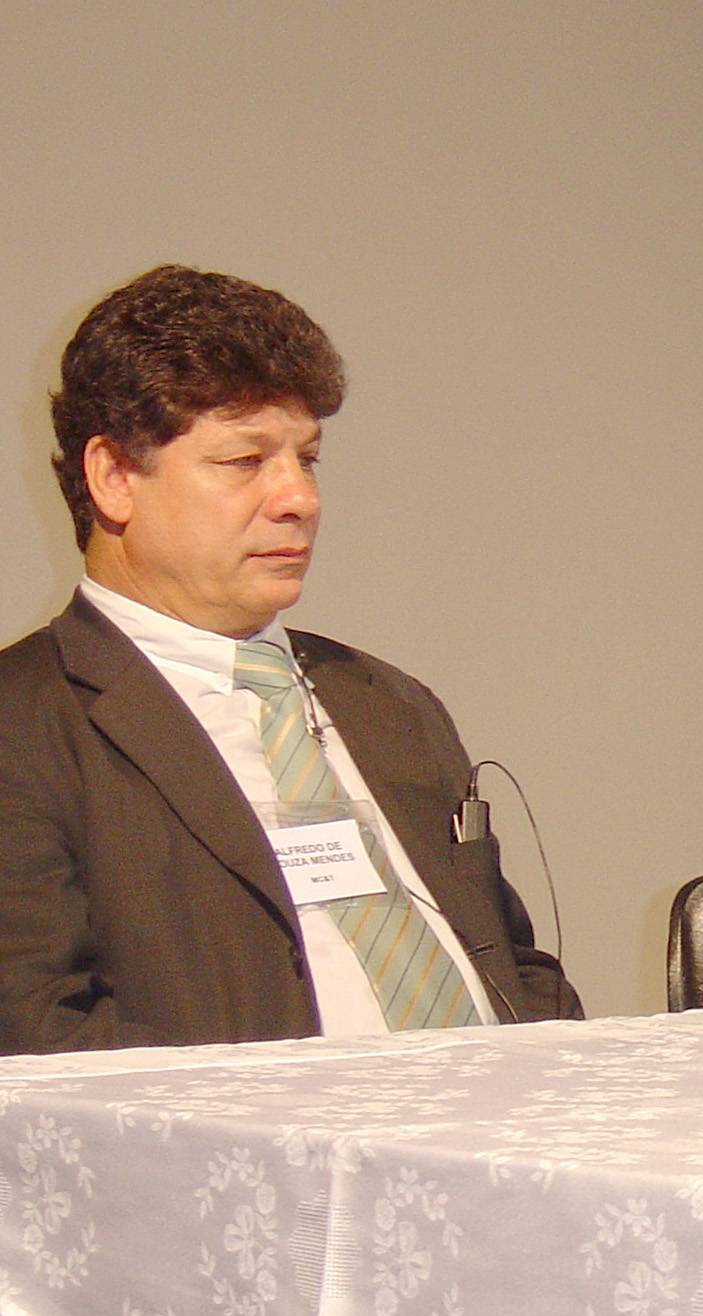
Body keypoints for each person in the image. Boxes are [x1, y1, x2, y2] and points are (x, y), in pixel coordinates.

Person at [0, 265, 581, 1051]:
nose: (299, 498)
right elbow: (42, 1035)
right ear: (112, 477)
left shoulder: (387, 701)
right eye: (245, 462)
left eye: (306, 459)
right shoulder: (24, 724)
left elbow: (513, 966)